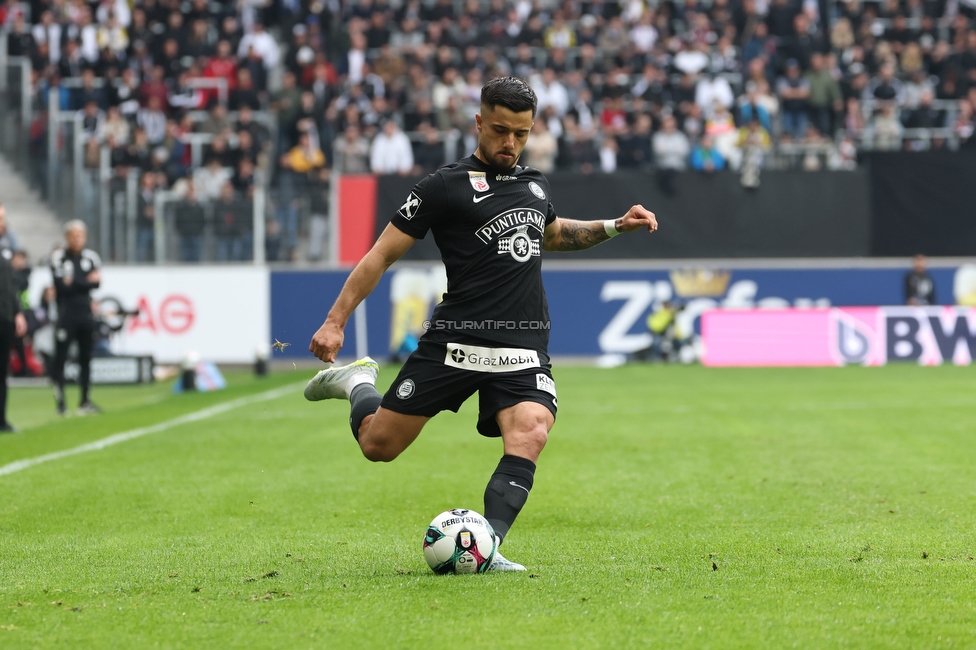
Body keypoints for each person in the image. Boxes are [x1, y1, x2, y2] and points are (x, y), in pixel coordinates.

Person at [304, 77, 658, 572]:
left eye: (521, 133)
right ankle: (357, 381)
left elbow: (553, 234)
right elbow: (381, 255)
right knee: (377, 446)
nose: (509, 143)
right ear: (478, 123)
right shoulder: (442, 187)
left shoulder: (535, 184)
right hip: (456, 341)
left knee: (532, 430)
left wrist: (614, 226)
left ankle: (487, 548)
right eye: (499, 131)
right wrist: (334, 321)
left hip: (522, 343)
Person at [50, 220, 102, 416]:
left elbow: (96, 284)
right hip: (65, 316)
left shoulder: (91, 258)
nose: (77, 239)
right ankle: (61, 402)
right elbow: (62, 287)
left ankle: (85, 400)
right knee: (61, 359)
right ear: (67, 237)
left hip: (85, 315)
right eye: (74, 235)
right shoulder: (58, 257)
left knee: (86, 358)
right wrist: (85, 282)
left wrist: (74, 282)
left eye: (80, 235)